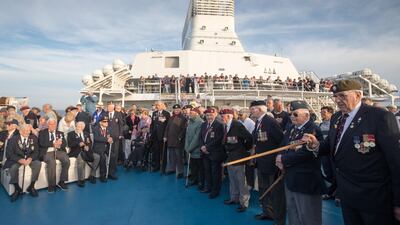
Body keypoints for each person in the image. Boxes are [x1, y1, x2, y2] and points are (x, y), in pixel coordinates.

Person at [303, 79, 400, 225]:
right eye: (335, 97)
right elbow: (333, 146)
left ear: (358, 95)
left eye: (342, 96)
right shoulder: (336, 118)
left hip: (374, 199)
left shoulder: (380, 117)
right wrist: (316, 144)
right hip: (347, 196)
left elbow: (395, 162)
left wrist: (398, 201)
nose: (337, 100)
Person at [275, 101, 325, 225]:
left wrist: (283, 159)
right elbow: (283, 145)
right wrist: (278, 156)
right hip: (291, 178)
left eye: (295, 114)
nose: (292, 116)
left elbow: (306, 154)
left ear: (306, 116)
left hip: (306, 180)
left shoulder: (313, 130)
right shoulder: (291, 128)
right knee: (293, 213)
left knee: (308, 217)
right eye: (291, 114)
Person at [249, 100, 285, 224]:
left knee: (274, 191)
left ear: (259, 109)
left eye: (252, 109)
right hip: (261, 162)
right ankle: (267, 212)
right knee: (263, 188)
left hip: (271, 164)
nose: (251, 111)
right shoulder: (258, 122)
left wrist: (279, 158)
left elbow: (281, 141)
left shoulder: (270, 122)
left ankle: (278, 218)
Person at [221, 109, 253, 212]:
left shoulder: (237, 126)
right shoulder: (226, 126)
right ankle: (234, 198)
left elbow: (249, 138)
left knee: (241, 181)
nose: (222, 118)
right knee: (232, 179)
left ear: (229, 116)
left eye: (223, 116)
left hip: (239, 158)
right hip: (230, 157)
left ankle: (244, 202)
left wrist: (244, 150)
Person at [4, 124, 41, 201]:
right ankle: (17, 189)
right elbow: (9, 154)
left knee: (38, 164)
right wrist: (19, 160)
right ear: (20, 132)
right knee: (13, 168)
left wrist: (30, 158)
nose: (28, 132)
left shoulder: (33, 138)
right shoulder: (13, 139)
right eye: (26, 131)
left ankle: (31, 186)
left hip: (29, 158)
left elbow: (36, 152)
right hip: (17, 159)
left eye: (29, 130)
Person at [200, 108, 226, 199]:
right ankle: (208, 187)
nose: (209, 117)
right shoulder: (203, 125)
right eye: (207, 115)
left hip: (215, 153)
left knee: (215, 173)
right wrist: (202, 146)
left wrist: (207, 147)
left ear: (215, 114)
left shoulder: (219, 125)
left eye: (211, 115)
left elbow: (218, 139)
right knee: (207, 171)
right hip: (205, 153)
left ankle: (215, 191)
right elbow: (201, 137)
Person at [38, 119, 70, 192]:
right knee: (52, 162)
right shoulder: (42, 132)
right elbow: (41, 143)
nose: (52, 126)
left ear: (56, 125)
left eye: (54, 124)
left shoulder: (60, 133)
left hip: (58, 151)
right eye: (50, 124)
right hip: (47, 152)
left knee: (66, 160)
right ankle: (51, 185)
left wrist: (59, 144)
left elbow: (65, 144)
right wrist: (53, 144)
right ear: (47, 125)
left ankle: (62, 181)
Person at [68, 122, 100, 187]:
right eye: (77, 126)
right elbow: (70, 144)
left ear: (83, 127)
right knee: (81, 159)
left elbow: (90, 143)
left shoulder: (86, 134)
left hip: (86, 151)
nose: (78, 128)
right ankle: (81, 179)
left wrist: (88, 147)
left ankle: (92, 175)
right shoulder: (71, 134)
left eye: (80, 126)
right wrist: (78, 144)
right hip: (76, 152)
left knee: (97, 157)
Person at [164, 104, 187, 178]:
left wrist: (180, 137)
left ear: (180, 109)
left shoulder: (183, 118)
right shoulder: (171, 117)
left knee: (179, 156)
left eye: (178, 109)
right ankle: (172, 169)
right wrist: (165, 136)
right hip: (170, 139)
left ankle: (180, 171)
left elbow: (184, 129)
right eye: (175, 109)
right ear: (173, 110)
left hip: (178, 140)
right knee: (171, 156)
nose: (176, 111)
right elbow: (167, 127)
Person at [319, 106, 336, 200]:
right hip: (325, 153)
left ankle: (335, 193)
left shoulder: (335, 125)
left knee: (335, 173)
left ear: (330, 113)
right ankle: (331, 191)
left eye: (324, 112)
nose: (322, 114)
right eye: (321, 112)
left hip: (333, 152)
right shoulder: (320, 125)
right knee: (327, 172)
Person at [184, 107, 204, 188]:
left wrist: (189, 148)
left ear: (197, 114)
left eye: (191, 113)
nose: (189, 114)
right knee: (193, 167)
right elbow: (187, 135)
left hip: (197, 149)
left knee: (200, 167)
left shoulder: (200, 122)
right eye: (190, 113)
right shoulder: (190, 122)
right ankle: (194, 179)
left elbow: (197, 137)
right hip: (190, 149)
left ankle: (200, 181)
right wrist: (186, 146)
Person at [150, 101, 170, 172]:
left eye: (158, 105)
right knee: (156, 152)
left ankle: (163, 167)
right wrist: (151, 133)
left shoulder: (166, 114)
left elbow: (167, 126)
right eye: (156, 105)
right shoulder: (154, 113)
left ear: (162, 105)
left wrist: (166, 135)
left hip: (162, 137)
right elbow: (152, 124)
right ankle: (156, 166)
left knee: (163, 152)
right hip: (155, 136)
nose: (157, 106)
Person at [92, 116, 114, 182]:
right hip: (98, 148)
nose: (106, 123)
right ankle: (103, 175)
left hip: (105, 147)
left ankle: (110, 173)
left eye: (107, 121)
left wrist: (111, 139)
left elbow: (109, 137)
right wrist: (107, 139)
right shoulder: (96, 129)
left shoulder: (108, 129)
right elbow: (96, 138)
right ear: (100, 122)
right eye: (104, 121)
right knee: (103, 157)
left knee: (113, 156)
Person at [105, 103, 123, 179]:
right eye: (107, 107)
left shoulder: (118, 114)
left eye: (109, 107)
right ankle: (107, 170)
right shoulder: (105, 114)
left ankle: (113, 171)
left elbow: (121, 124)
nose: (108, 108)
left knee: (114, 154)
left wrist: (120, 134)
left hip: (115, 137)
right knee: (107, 153)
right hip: (107, 136)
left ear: (113, 108)